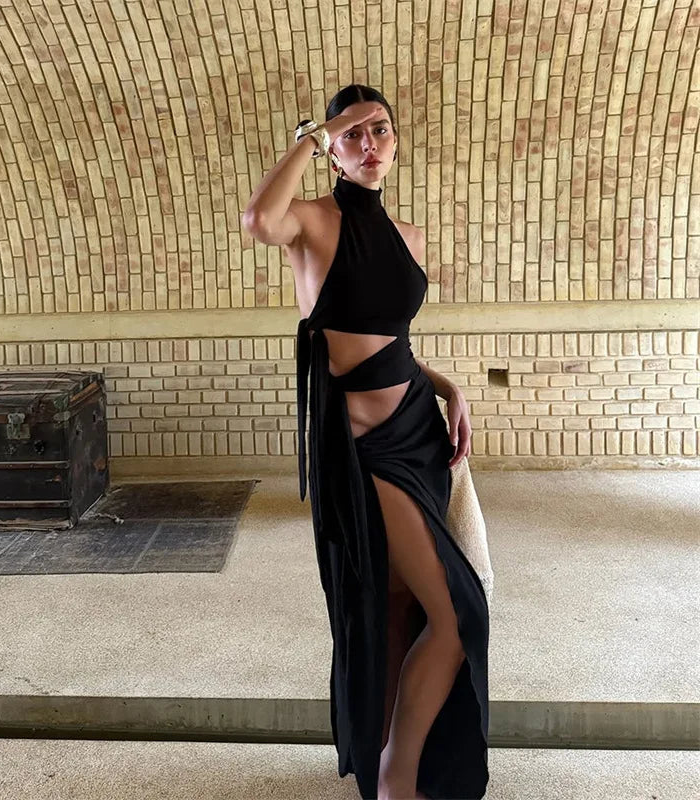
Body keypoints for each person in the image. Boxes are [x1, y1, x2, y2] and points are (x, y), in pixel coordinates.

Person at [242, 84, 490, 800]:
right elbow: (259, 218)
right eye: (353, 135)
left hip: (419, 430)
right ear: (332, 152)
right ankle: (398, 779)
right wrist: (313, 133)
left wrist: (450, 387)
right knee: (455, 612)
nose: (370, 144)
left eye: (380, 130)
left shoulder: (410, 235)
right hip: (365, 452)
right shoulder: (312, 224)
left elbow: (393, 344)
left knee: (398, 603)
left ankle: (389, 761)